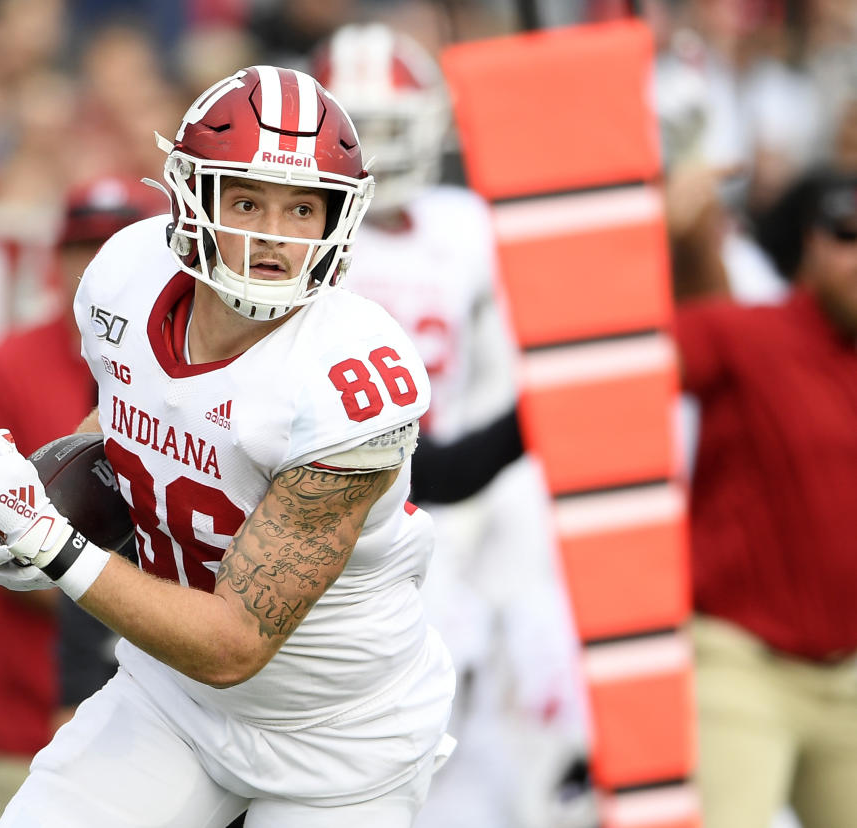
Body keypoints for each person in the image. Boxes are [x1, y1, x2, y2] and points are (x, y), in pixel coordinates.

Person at [0, 65, 457, 827]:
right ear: (192, 199)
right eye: (246, 201)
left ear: (340, 219)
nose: (272, 237)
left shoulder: (348, 380)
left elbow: (234, 644)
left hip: (341, 736)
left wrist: (55, 546)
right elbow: (122, 417)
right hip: (172, 698)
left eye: (302, 209)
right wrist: (45, 503)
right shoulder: (124, 275)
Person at [315, 23, 593, 828]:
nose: (384, 152)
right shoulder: (304, 233)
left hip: (450, 498)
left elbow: (504, 374)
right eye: (365, 133)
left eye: (396, 128)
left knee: (474, 730)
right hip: (344, 495)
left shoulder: (466, 227)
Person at [0, 175, 162, 828]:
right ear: (57, 256)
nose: (100, 261)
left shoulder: (185, 365)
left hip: (169, 684)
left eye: (117, 242)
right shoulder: (7, 364)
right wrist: (102, 594)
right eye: (83, 245)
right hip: (33, 678)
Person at [674, 167, 857, 828]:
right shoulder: (747, 332)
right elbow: (622, 358)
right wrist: (658, 229)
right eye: (847, 235)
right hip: (741, 666)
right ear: (810, 243)